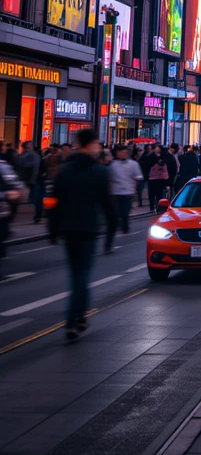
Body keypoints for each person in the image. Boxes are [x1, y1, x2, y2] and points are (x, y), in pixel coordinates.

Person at [49, 128, 112, 342]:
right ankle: (73, 321)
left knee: (77, 274)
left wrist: (52, 229)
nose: (99, 147)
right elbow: (106, 203)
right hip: (88, 228)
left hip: (68, 228)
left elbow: (53, 202)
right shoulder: (99, 171)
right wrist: (114, 226)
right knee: (81, 276)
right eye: (97, 143)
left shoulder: (64, 171)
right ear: (91, 144)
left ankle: (80, 318)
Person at [107, 145, 141, 248]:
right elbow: (109, 178)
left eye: (123, 152)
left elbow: (137, 178)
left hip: (127, 193)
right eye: (119, 152)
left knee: (125, 214)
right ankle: (109, 242)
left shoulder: (133, 164)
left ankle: (125, 225)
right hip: (115, 193)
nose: (121, 154)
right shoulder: (113, 165)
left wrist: (135, 193)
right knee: (115, 216)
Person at [147, 146, 169, 212]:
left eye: (158, 148)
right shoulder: (151, 156)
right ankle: (152, 207)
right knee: (152, 194)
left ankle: (158, 207)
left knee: (158, 194)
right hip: (153, 178)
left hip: (159, 178)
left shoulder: (164, 157)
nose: (156, 149)